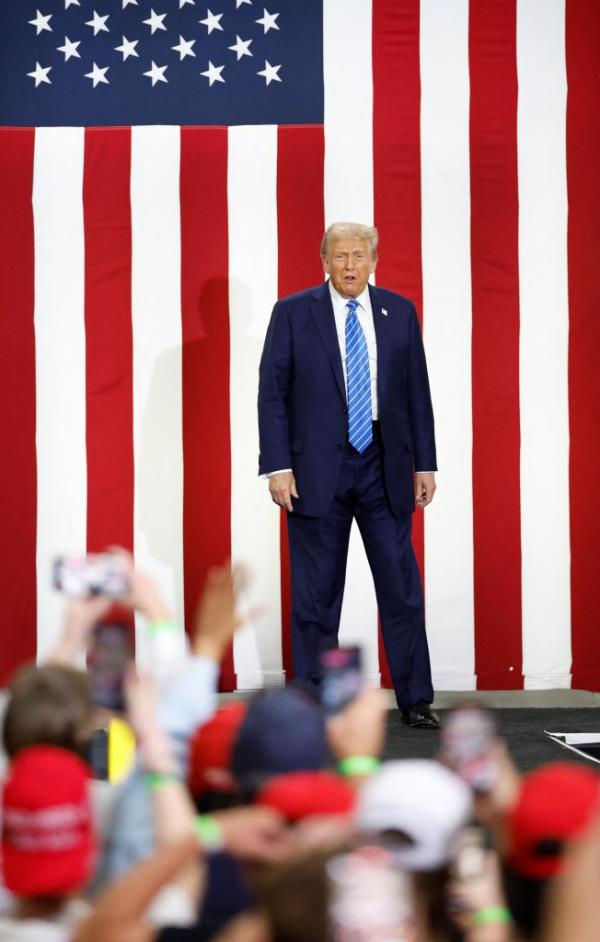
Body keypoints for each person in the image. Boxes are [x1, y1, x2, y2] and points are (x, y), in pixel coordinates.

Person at [258, 221, 438, 727]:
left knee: (401, 588)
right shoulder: (293, 313)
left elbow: (415, 393)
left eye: (359, 256)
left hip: (386, 465)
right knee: (315, 594)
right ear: (325, 260)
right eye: (340, 257)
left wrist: (425, 461)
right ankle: (315, 704)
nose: (350, 266)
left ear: (373, 260)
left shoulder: (399, 312)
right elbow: (272, 395)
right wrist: (277, 466)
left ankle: (415, 699)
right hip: (316, 471)